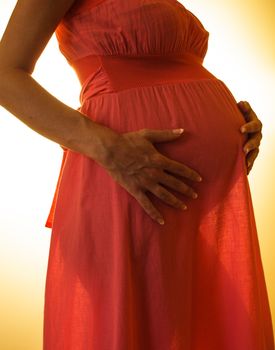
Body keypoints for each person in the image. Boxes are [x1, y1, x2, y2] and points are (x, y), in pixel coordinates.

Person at [0, 0, 272, 349]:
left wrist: (235, 123)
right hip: (130, 185)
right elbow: (5, 74)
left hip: (183, 200)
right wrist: (109, 148)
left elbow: (175, 71)